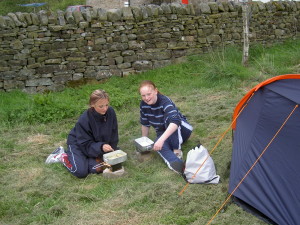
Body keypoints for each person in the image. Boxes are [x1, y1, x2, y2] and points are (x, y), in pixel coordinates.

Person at [45, 89, 119, 178]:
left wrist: (112, 150)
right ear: (92, 105)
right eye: (101, 106)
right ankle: (62, 156)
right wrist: (101, 147)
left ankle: (86, 160)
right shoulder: (85, 119)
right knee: (80, 172)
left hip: (95, 145)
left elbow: (114, 134)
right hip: (79, 144)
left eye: (107, 105)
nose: (105, 109)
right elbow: (84, 143)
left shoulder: (110, 112)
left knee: (100, 167)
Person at [139, 80, 193, 175]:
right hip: (164, 133)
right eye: (143, 95)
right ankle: (178, 165)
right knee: (157, 145)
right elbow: (145, 123)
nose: (146, 98)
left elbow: (175, 121)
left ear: (155, 91)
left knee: (170, 120)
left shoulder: (164, 101)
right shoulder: (143, 105)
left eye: (149, 94)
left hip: (182, 130)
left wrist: (161, 140)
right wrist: (144, 142)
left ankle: (177, 150)